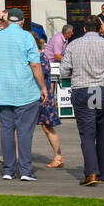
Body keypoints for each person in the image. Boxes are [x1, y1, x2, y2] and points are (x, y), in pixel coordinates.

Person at [0, 6, 49, 180]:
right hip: (25, 92)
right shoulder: (27, 37)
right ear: (22, 21)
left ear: (7, 20)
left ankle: (8, 170)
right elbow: (35, 65)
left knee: (6, 131)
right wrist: (43, 87)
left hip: (3, 92)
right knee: (24, 132)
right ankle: (26, 171)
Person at [61, 14, 104, 186]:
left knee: (87, 134)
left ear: (84, 28)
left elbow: (64, 71)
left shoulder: (73, 45)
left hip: (83, 90)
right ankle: (103, 173)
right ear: (100, 27)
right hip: (103, 90)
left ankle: (92, 172)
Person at [36, 34, 66, 169]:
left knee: (47, 127)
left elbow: (40, 75)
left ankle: (58, 156)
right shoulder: (37, 57)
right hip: (37, 97)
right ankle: (13, 154)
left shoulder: (41, 58)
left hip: (43, 98)